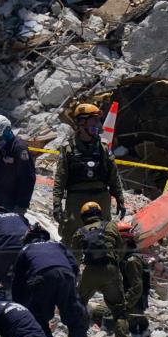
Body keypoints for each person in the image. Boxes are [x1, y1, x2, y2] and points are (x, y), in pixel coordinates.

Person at [12, 223, 94, 337]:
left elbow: (18, 281)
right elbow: (74, 266)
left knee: (39, 320)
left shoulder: (25, 250)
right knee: (76, 321)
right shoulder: (58, 245)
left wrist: (20, 306)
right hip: (66, 275)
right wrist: (69, 288)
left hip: (41, 279)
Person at [72, 202, 138, 337]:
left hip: (90, 272)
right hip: (110, 270)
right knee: (118, 311)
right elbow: (118, 246)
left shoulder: (79, 233)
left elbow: (75, 258)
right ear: (99, 213)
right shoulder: (110, 226)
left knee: (79, 304)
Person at [53, 103, 126, 249]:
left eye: (98, 121)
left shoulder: (103, 147)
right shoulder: (69, 149)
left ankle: (100, 267)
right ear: (82, 122)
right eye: (93, 121)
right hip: (76, 199)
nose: (98, 125)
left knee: (105, 233)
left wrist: (119, 198)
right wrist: (57, 204)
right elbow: (60, 179)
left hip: (101, 197)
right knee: (71, 235)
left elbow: (113, 176)